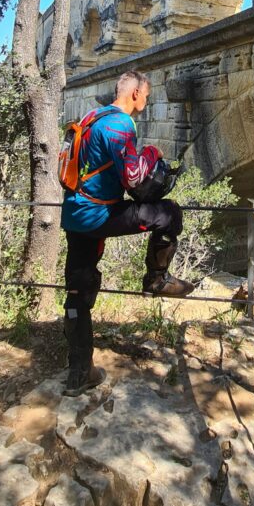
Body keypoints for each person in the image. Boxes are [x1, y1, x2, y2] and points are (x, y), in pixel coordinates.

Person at [61, 69, 193, 397]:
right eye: (146, 95)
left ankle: (79, 375)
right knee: (169, 213)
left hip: (75, 213)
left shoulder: (92, 116)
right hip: (100, 215)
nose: (146, 102)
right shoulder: (121, 124)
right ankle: (156, 279)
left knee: (79, 290)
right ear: (134, 93)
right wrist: (152, 154)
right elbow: (134, 179)